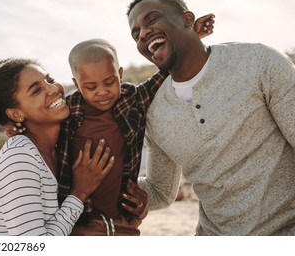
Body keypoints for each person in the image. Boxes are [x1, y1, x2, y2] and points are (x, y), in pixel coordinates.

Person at [127, 0, 295, 235]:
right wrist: (103, 189)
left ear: (187, 19)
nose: (142, 34)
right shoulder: (155, 113)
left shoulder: (259, 63)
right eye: (136, 34)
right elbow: (160, 191)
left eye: (151, 20)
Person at [55, 26, 212, 236]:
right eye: (90, 87)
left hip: (122, 219)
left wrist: (188, 40)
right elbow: (33, 119)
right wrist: (15, 126)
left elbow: (165, 74)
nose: (102, 91)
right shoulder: (67, 111)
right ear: (76, 84)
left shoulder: (131, 100)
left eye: (109, 82)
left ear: (120, 74)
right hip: (78, 219)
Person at [0, 58, 114, 235]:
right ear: (16, 114)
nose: (54, 89)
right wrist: (79, 193)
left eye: (49, 80)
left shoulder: (59, 146)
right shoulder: (19, 158)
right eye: (37, 90)